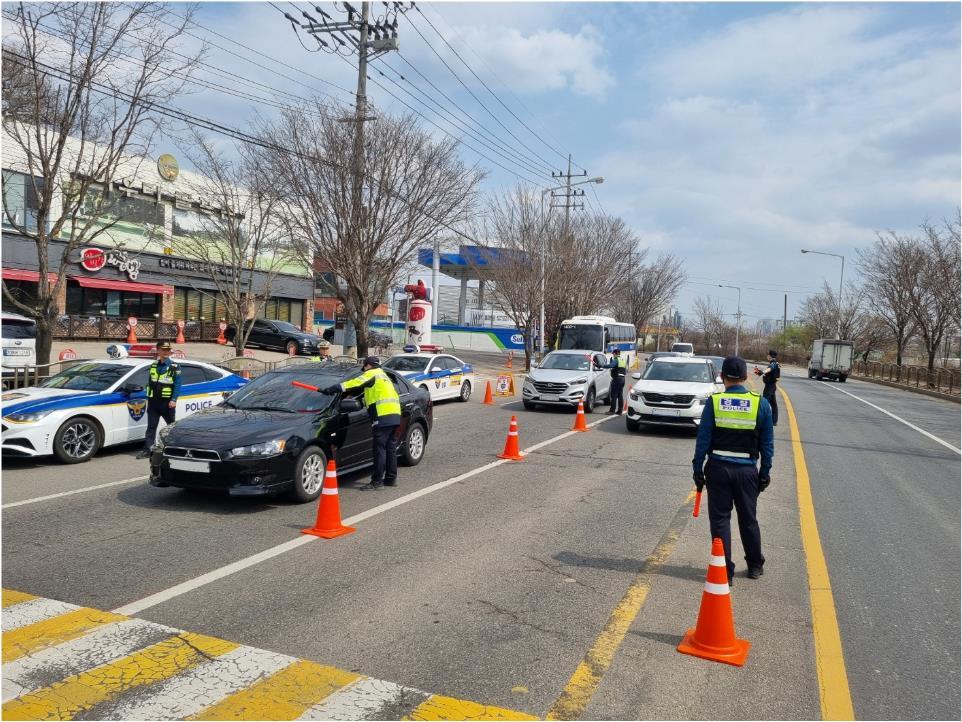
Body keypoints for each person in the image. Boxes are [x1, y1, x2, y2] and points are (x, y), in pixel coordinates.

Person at [691, 356, 774, 583]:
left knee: (720, 520)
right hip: (747, 471)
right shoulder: (760, 404)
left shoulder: (715, 402)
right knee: (749, 519)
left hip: (718, 468)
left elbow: (703, 439)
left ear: (721, 376)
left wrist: (698, 468)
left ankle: (724, 570)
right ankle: (755, 565)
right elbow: (767, 445)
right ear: (746, 378)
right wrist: (765, 472)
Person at [322, 356, 401, 490]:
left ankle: (377, 482)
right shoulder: (383, 375)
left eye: (364, 366)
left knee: (379, 449)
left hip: (382, 415)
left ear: (368, 365)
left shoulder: (371, 374)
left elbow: (353, 383)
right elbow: (373, 395)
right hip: (394, 414)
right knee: (390, 448)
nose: (363, 369)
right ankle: (390, 479)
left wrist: (331, 389)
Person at [137, 341, 182, 459]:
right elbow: (150, 383)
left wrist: (174, 400)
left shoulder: (174, 366)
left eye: (168, 350)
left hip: (167, 403)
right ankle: (148, 450)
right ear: (158, 351)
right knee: (151, 427)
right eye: (164, 349)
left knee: (171, 427)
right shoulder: (153, 365)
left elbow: (177, 385)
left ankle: (174, 449)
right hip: (153, 402)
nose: (167, 352)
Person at [760, 349, 780, 427]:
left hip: (769, 386)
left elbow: (770, 368)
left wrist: (763, 372)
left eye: (768, 355)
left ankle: (762, 420)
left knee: (764, 403)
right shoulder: (777, 363)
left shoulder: (773, 363)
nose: (767, 356)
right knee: (773, 404)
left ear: (770, 356)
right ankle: (774, 421)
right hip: (773, 386)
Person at [607, 348, 627, 414]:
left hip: (617, 379)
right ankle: (620, 411)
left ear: (615, 354)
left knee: (614, 395)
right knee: (620, 395)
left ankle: (612, 410)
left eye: (613, 354)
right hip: (623, 379)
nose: (613, 355)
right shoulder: (622, 360)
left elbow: (611, 365)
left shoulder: (616, 360)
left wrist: (602, 365)